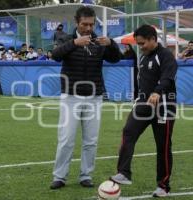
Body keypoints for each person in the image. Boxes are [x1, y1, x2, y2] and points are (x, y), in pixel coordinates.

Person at [50, 6, 121, 190]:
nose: (88, 28)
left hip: (94, 97)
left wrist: (111, 44)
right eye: (84, 24)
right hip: (70, 97)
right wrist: (75, 43)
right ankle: (59, 176)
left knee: (91, 140)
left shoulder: (99, 41)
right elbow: (55, 55)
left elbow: (116, 58)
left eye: (91, 24)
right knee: (66, 139)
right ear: (76, 23)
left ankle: (86, 175)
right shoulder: (66, 38)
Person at [110, 25, 177, 198]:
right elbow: (143, 83)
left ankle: (163, 186)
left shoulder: (166, 56)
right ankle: (124, 172)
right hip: (143, 105)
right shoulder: (142, 57)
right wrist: (138, 101)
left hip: (164, 106)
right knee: (128, 131)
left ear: (153, 39)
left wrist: (157, 92)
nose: (141, 47)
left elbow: (168, 78)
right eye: (138, 44)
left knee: (163, 146)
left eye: (143, 43)